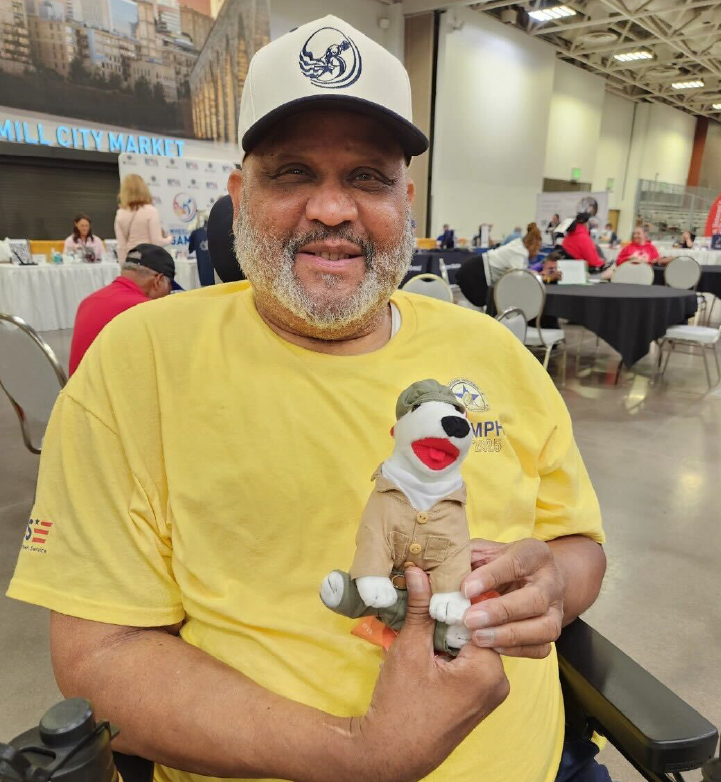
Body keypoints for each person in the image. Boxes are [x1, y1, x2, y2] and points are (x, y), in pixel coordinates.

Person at [8, 16, 607, 782]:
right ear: (239, 197)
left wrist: (553, 586)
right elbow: (101, 657)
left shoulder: (493, 352)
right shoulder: (141, 364)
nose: (331, 209)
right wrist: (360, 752)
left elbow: (578, 544)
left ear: (407, 199)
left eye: (367, 177)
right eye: (292, 172)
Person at [67, 244, 174, 375]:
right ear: (158, 280)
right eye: (170, 288)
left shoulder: (88, 301)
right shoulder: (144, 310)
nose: (168, 295)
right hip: (114, 387)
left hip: (78, 386)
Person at [114, 174, 172, 263]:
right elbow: (157, 242)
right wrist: (169, 239)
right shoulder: (151, 210)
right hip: (149, 260)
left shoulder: (120, 213)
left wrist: (123, 267)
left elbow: (121, 246)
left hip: (131, 260)